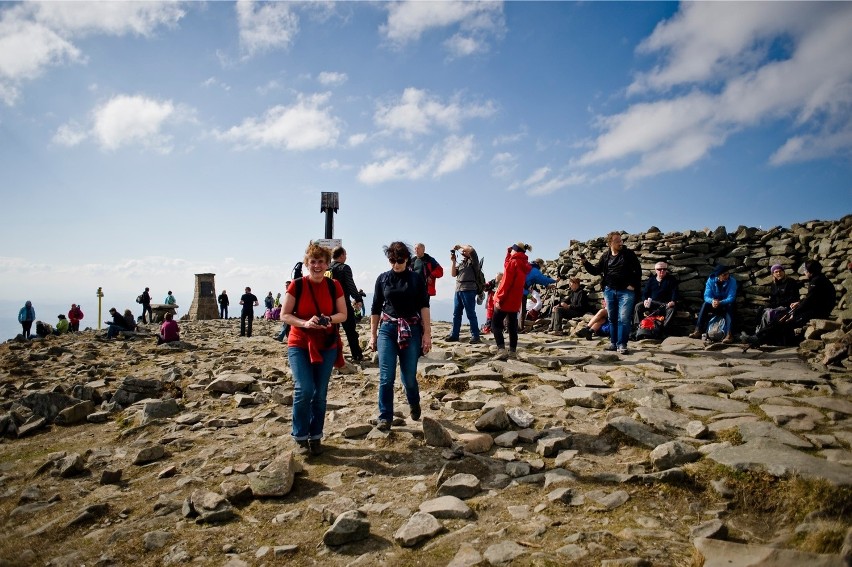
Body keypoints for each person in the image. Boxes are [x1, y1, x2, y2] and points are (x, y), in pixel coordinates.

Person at [280, 242, 347, 456]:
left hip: (326, 344)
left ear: (327, 264)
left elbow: (343, 314)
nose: (317, 265)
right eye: (313, 262)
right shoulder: (297, 285)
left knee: (320, 393)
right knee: (304, 389)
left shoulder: (333, 285)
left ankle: (316, 436)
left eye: (321, 262)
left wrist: (328, 319)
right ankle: (300, 436)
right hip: (300, 342)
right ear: (307, 264)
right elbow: (285, 315)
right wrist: (305, 323)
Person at [368, 241, 432, 431]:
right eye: (392, 260)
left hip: (411, 329)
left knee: (409, 377)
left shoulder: (416, 279)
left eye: (400, 260)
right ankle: (385, 416)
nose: (396, 264)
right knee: (386, 377)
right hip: (387, 328)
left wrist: (427, 334)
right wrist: (373, 335)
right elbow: (375, 307)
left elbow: (424, 306)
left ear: (407, 259)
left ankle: (414, 401)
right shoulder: (382, 279)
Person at [743, 259, 836, 347]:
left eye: (805, 270)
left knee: (782, 321)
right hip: (816, 310)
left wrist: (795, 312)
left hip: (818, 312)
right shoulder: (819, 279)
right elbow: (811, 298)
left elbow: (809, 301)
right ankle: (758, 337)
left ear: (810, 271)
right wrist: (799, 303)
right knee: (778, 319)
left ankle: (759, 338)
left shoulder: (816, 281)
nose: (804, 272)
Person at [579, 231, 642, 354]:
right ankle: (613, 343)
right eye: (617, 241)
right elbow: (596, 270)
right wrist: (585, 262)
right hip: (610, 291)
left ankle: (622, 344)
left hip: (626, 292)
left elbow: (638, 271)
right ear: (610, 243)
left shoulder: (628, 254)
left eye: (621, 240)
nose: (620, 243)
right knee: (612, 318)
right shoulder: (606, 256)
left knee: (623, 318)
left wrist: (633, 285)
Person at [492, 243, 533, 360]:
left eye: (512, 251)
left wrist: (499, 298)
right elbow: (507, 264)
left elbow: (506, 283)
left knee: (495, 324)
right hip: (516, 300)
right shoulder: (524, 264)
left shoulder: (512, 263)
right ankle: (513, 352)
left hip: (506, 300)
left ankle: (501, 350)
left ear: (515, 251)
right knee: (512, 326)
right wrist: (509, 252)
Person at [745, 264, 802, 345]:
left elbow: (793, 298)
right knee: (762, 311)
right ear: (773, 274)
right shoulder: (774, 284)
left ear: (783, 272)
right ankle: (757, 334)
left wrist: (777, 304)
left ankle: (760, 337)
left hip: (788, 307)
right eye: (776, 272)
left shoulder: (791, 282)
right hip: (777, 306)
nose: (779, 273)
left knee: (769, 313)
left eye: (780, 271)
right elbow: (773, 299)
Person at [329, 247, 365, 362]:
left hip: (329, 304)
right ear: (342, 255)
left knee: (332, 331)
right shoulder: (344, 268)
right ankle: (356, 354)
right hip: (343, 303)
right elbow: (350, 285)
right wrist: (358, 298)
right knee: (350, 330)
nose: (346, 257)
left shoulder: (327, 268)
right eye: (345, 254)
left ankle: (331, 355)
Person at [689, 265, 737, 343]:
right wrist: (712, 301)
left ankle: (729, 335)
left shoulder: (732, 281)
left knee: (731, 305)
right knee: (705, 304)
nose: (727, 276)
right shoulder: (710, 281)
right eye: (724, 275)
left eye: (728, 274)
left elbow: (731, 297)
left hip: (726, 304)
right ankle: (698, 330)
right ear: (718, 275)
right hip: (714, 304)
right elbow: (706, 296)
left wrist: (720, 302)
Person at [447, 243, 482, 344]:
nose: (462, 252)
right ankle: (454, 335)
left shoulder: (474, 261)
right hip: (458, 290)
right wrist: (453, 261)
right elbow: (453, 274)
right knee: (456, 314)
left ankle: (475, 336)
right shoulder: (462, 263)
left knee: (470, 313)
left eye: (464, 251)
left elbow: (471, 249)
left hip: (469, 290)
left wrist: (459, 246)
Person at [633, 261, 680, 336]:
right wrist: (644, 300)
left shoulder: (671, 279)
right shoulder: (651, 280)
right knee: (638, 306)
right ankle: (638, 328)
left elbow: (675, 292)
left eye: (664, 269)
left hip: (665, 304)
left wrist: (673, 301)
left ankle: (664, 330)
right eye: (659, 269)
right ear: (655, 270)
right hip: (652, 303)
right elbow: (645, 293)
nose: (662, 271)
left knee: (672, 309)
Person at [521, 257, 557, 330]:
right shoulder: (535, 270)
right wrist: (554, 281)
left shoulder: (530, 268)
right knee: (521, 310)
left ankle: (517, 326)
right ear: (540, 264)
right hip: (521, 290)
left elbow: (538, 280)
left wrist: (547, 285)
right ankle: (518, 327)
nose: (541, 268)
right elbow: (542, 278)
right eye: (542, 266)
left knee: (520, 310)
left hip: (521, 289)